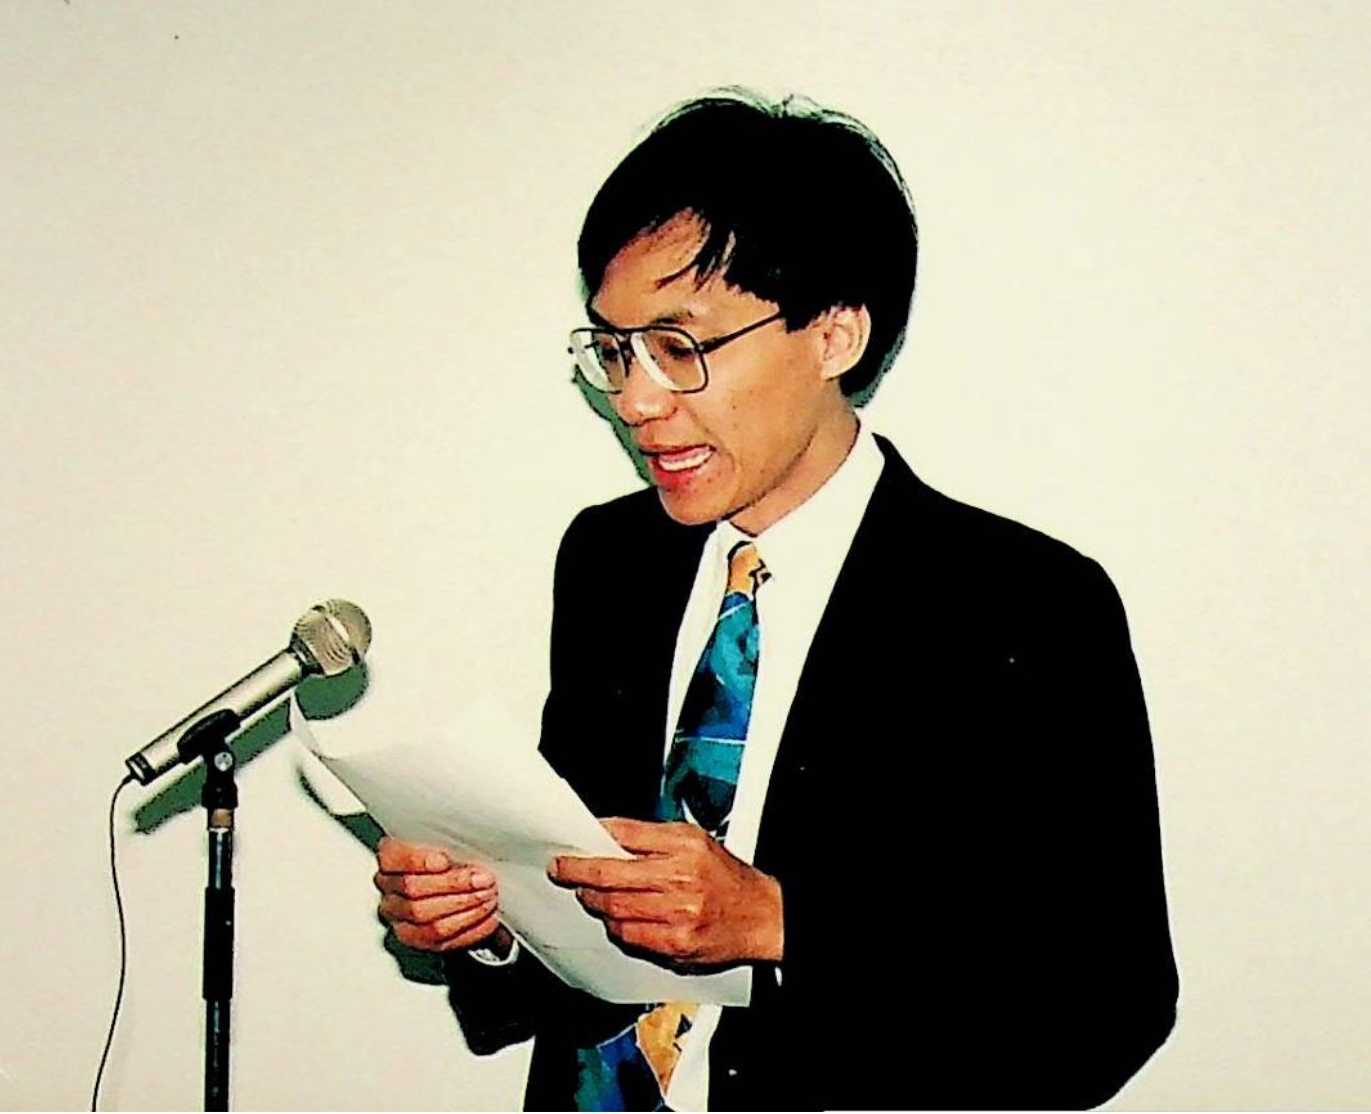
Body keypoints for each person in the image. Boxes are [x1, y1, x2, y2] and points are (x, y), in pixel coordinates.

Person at [372, 91, 1178, 1111]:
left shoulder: (1023, 604)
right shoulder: (611, 560)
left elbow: (1110, 1001)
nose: (636, 399)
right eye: (613, 350)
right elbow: (579, 920)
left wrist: (781, 924)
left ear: (833, 335)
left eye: (679, 348)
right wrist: (482, 922)